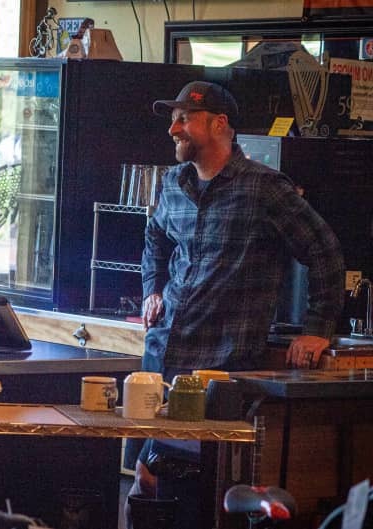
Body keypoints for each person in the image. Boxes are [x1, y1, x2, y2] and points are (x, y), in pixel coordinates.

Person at [126, 81, 345, 528]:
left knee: (195, 498)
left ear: (219, 124)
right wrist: (153, 286)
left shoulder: (265, 189)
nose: (173, 129)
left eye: (184, 118)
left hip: (219, 373)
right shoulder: (174, 182)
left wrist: (318, 327)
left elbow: (324, 250)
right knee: (143, 488)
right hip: (160, 360)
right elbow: (154, 237)